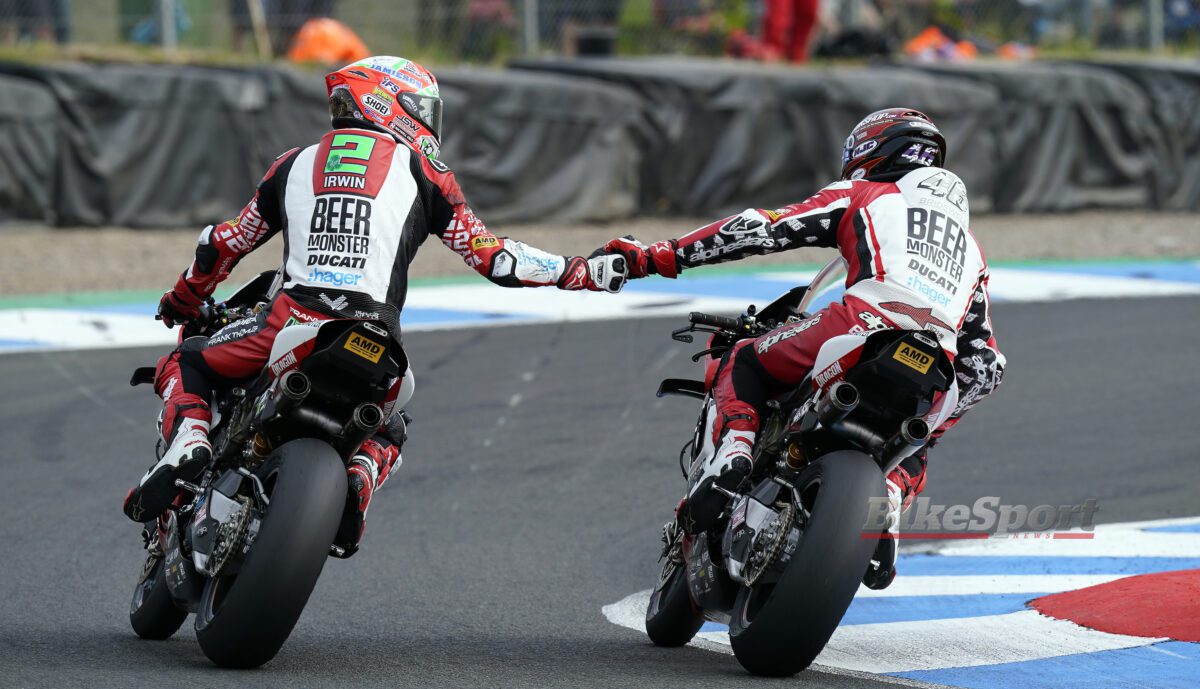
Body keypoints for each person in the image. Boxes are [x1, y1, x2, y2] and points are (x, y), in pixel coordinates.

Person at [122, 56, 628, 558]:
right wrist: (579, 269)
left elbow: (224, 244)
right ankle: (358, 482)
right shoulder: (427, 172)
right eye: (423, 109)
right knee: (391, 427)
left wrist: (185, 295)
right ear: (392, 103)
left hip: (288, 322)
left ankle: (191, 439)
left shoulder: (293, 163)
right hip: (375, 337)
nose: (430, 123)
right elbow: (495, 258)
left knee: (187, 359)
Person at [596, 108, 1004, 586]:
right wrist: (939, 423)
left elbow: (758, 228)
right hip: (938, 359)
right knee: (915, 442)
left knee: (744, 359)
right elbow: (986, 364)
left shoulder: (864, 194)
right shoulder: (970, 248)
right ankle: (887, 500)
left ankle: (736, 452)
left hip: (861, 324)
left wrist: (654, 257)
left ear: (871, 153)